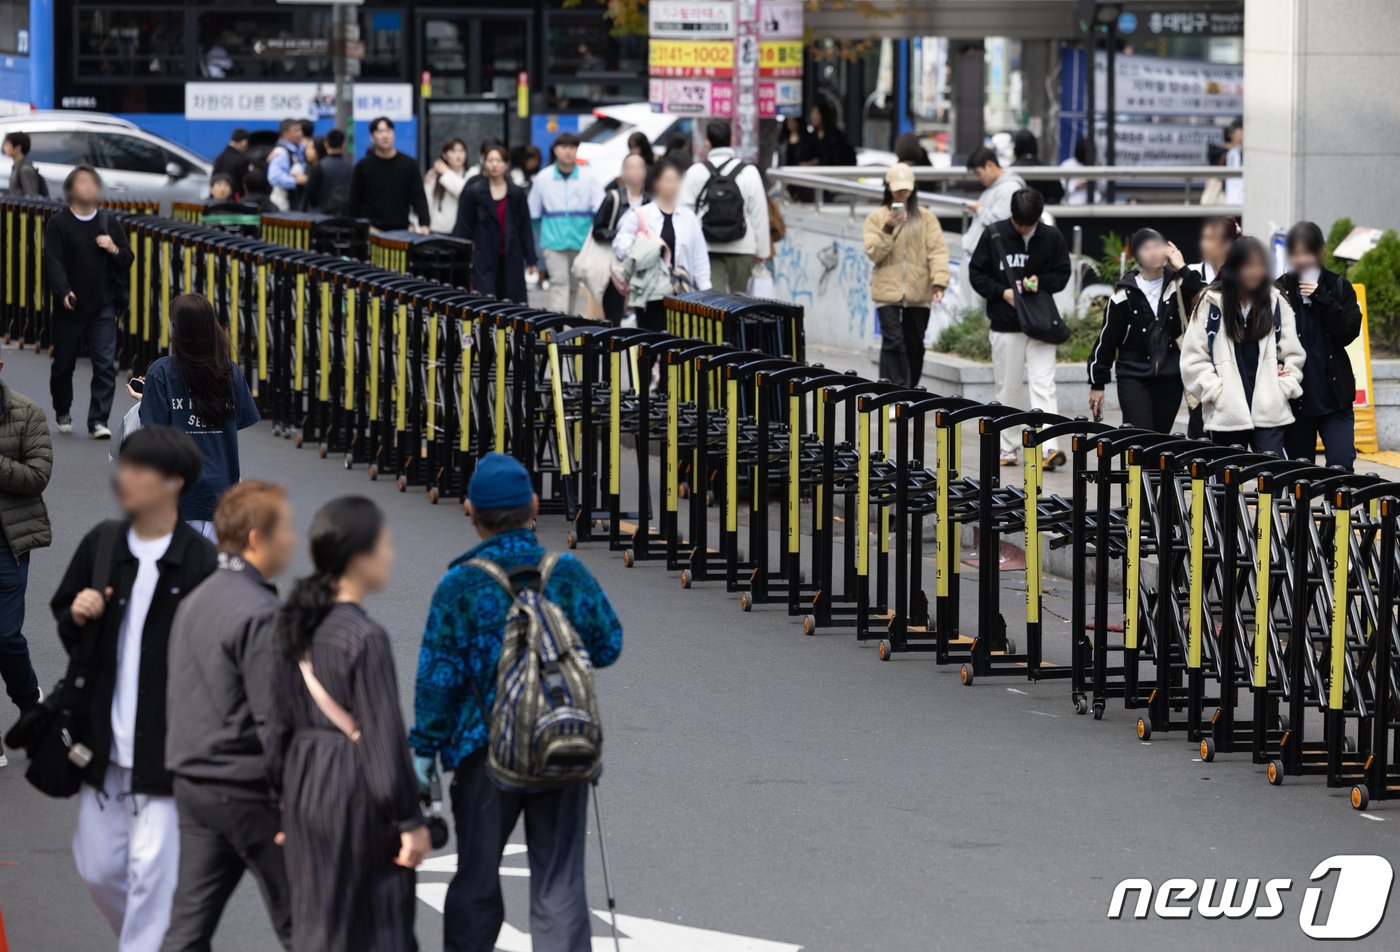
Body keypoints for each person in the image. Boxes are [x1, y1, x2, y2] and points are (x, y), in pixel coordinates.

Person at [410, 453, 623, 952]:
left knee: (477, 881)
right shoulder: (565, 573)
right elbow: (609, 643)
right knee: (560, 885)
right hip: (559, 741)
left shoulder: (459, 585)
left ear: (471, 512)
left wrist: (423, 752)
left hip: (482, 752)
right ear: (532, 506)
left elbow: (436, 681)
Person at [51, 427, 217, 951]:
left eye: (139, 469)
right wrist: (76, 614)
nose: (125, 477)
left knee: (152, 875)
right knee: (98, 868)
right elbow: (64, 614)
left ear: (172, 483)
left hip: (167, 751)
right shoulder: (102, 542)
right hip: (100, 740)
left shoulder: (199, 562)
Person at [268, 496, 429, 952]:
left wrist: (281, 800)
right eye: (385, 546)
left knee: (318, 923)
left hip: (303, 786)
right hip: (354, 789)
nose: (390, 556)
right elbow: (381, 738)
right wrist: (409, 818)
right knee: (380, 927)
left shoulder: (293, 624)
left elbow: (275, 723)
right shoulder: (365, 637)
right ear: (359, 557)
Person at [161, 482, 296, 951]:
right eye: (287, 529)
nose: (293, 540)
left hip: (194, 782)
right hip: (249, 789)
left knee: (186, 930)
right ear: (258, 538)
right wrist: (292, 799)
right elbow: (275, 718)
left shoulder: (196, 597)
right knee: (309, 921)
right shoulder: (261, 612)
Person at [137, 294, 260, 540]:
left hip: (178, 499)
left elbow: (153, 434)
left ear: (177, 330)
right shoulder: (229, 371)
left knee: (178, 576)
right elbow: (240, 420)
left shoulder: (161, 372)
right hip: (222, 495)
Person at [966, 187, 1069, 468]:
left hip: (1040, 322)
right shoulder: (994, 234)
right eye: (1020, 224)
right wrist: (1002, 292)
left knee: (1043, 384)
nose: (1024, 229)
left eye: (1030, 224)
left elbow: (1062, 274)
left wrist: (1041, 282)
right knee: (1008, 386)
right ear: (1011, 216)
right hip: (1005, 322)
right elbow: (977, 273)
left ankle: (1049, 446)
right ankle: (1008, 447)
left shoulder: (1050, 236)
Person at [1180, 237, 1305, 456]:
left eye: (1259, 265)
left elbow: (1294, 353)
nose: (1254, 272)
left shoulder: (1276, 301)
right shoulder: (1210, 303)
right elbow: (1193, 358)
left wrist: (1284, 386)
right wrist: (1215, 391)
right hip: (1226, 413)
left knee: (1273, 480)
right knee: (1224, 484)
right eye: (1248, 265)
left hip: (1270, 410)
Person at [44, 165, 133, 440]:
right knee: (63, 365)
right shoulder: (58, 224)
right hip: (69, 306)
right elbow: (53, 262)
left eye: (93, 182)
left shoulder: (108, 223)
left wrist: (113, 247)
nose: (89, 187)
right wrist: (63, 291)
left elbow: (127, 259)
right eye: (83, 182)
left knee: (105, 365)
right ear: (71, 189)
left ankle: (98, 420)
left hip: (103, 305)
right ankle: (62, 409)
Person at [1087, 228, 1192, 432]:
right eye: (1146, 248)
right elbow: (1106, 341)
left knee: (1160, 439)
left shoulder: (1179, 285)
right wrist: (1097, 384)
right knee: (1140, 435)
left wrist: (1182, 268)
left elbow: (1206, 297)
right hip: (1133, 375)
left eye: (1157, 246)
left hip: (1170, 377)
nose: (1153, 252)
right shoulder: (1123, 295)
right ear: (1137, 255)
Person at [1277, 221, 1362, 469]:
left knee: (1341, 465)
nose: (1301, 259)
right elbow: (1265, 336)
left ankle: (1338, 510)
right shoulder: (1279, 289)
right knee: (1298, 473)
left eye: (1307, 252)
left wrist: (1321, 299)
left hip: (1334, 399)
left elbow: (1348, 331)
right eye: (1295, 253)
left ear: (1321, 251)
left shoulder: (1338, 286)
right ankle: (1300, 510)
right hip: (1296, 400)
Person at [0, 356, 51, 760]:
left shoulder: (27, 413)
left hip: (8, 541)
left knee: (5, 636)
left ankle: (31, 706)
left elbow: (37, 476)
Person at [863, 163, 949, 389]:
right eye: (897, 189)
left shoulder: (926, 218)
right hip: (887, 289)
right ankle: (893, 391)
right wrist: (888, 228)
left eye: (906, 189)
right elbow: (873, 253)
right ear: (888, 188)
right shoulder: (876, 217)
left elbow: (937, 250)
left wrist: (939, 282)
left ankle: (909, 390)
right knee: (893, 341)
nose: (902, 193)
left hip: (918, 290)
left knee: (915, 344)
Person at [613, 159, 712, 331]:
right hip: (649, 292)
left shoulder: (689, 218)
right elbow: (620, 244)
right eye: (667, 180)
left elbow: (699, 255)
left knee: (678, 343)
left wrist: (705, 289)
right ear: (656, 183)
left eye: (676, 180)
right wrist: (641, 253)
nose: (672, 185)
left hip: (681, 292)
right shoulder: (641, 214)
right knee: (650, 341)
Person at [679, 120, 771, 293]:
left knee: (715, 307)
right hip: (743, 246)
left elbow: (684, 214)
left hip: (707, 247)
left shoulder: (695, 172)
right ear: (731, 141)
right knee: (741, 304)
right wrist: (762, 252)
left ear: (707, 142)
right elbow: (758, 213)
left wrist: (684, 250)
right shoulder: (749, 172)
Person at [528, 132, 604, 315]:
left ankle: (566, 325)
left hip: (581, 241)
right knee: (559, 282)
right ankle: (557, 325)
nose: (568, 152)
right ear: (555, 150)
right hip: (553, 241)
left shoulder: (589, 177)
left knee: (573, 286)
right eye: (563, 147)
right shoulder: (543, 178)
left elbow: (601, 208)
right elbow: (533, 211)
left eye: (572, 147)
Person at [455, 142, 537, 305]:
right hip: (483, 255)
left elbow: (525, 227)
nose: (494, 165)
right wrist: (462, 255)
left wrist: (531, 260)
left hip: (511, 254)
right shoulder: (475, 191)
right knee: (486, 301)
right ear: (484, 163)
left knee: (512, 302)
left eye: (499, 160)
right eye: (490, 160)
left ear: (506, 164)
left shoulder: (516, 193)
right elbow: (464, 226)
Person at [1183, 216, 1241, 436]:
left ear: (1227, 244)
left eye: (1210, 239)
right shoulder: (1193, 270)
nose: (1203, 244)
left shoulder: (1246, 277)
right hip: (1207, 377)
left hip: (1240, 381)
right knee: (1199, 436)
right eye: (1204, 238)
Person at [592, 152, 650, 325]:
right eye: (630, 167)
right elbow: (598, 229)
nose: (635, 172)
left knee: (644, 315)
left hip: (642, 265)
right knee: (613, 313)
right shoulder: (613, 198)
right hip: (615, 266)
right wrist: (620, 238)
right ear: (623, 172)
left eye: (639, 167)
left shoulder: (650, 200)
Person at [350, 117, 432, 234]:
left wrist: (424, 224)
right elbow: (354, 201)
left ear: (393, 134)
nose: (385, 135)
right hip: (372, 230)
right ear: (372, 137)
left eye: (388, 131)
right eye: (380, 132)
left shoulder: (409, 164)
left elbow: (418, 197)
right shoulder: (363, 166)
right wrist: (358, 227)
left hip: (401, 231)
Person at [962, 145, 1026, 263]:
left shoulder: (1009, 188)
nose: (978, 178)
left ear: (990, 165)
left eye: (979, 173)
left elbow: (1000, 224)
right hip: (980, 257)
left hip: (989, 260)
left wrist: (980, 210)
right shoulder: (995, 186)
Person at [425, 137, 470, 234]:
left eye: (461, 151)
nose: (458, 155)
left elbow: (464, 193)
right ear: (445, 155)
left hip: (461, 231)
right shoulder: (433, 176)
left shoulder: (470, 175)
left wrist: (446, 173)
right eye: (453, 151)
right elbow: (426, 201)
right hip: (436, 230)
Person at [304, 128, 353, 215]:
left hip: (320, 215)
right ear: (343, 144)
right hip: (344, 215)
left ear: (326, 144)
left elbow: (309, 193)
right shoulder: (350, 167)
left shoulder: (320, 167)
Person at [1012, 129, 1064, 204]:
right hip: (1045, 212)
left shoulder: (1010, 170)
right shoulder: (1048, 170)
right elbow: (1058, 193)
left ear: (1016, 147)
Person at [266, 118, 307, 212]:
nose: (300, 134)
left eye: (300, 130)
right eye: (296, 131)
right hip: (283, 204)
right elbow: (274, 177)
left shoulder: (298, 149)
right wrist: (295, 180)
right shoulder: (281, 152)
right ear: (286, 133)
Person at [1059, 138, 1101, 206]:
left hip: (1094, 202)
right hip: (1072, 202)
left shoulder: (1094, 165)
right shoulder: (1068, 165)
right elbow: (1061, 186)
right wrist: (1076, 186)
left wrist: (1096, 172)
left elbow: (1104, 186)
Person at [211, 129, 250, 197]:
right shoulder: (241, 160)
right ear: (244, 142)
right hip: (235, 201)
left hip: (217, 200)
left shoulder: (219, 157)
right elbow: (244, 184)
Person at [3, 131, 43, 196]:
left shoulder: (25, 169)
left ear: (18, 148)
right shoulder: (17, 166)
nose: (4, 147)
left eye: (7, 144)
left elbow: (31, 198)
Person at [1223, 117, 1244, 206]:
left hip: (1247, 207)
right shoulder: (1231, 153)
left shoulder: (1256, 154)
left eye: (1234, 131)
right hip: (1231, 206)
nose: (1231, 136)